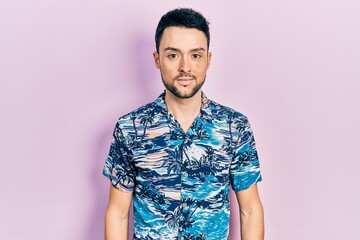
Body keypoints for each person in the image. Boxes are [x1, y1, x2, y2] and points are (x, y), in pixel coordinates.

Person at [103, 8, 264, 240]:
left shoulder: (234, 127)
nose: (185, 67)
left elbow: (250, 210)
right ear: (157, 59)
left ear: (208, 60)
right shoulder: (131, 128)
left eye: (195, 55)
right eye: (173, 55)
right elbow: (117, 212)